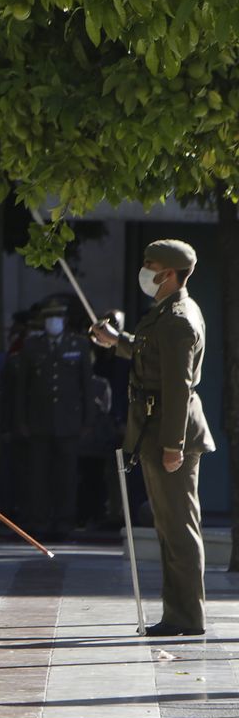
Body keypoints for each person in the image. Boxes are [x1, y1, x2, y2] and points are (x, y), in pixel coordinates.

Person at [91, 239, 215, 637]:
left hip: (169, 433)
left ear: (171, 274)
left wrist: (173, 445)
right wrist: (117, 341)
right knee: (168, 527)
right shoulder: (164, 313)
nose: (145, 271)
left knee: (179, 528)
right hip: (155, 430)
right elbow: (149, 354)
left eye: (152, 265)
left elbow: (177, 387)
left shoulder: (179, 318)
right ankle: (176, 614)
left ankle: (188, 618)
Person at [14, 299, 93, 540]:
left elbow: (86, 388)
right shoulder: (31, 346)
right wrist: (21, 421)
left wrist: (87, 422)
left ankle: (64, 522)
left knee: (66, 476)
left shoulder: (78, 345)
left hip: (68, 423)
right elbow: (22, 389)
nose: (53, 323)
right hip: (39, 422)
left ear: (64, 321)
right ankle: (40, 521)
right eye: (48, 319)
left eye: (57, 318)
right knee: (39, 476)